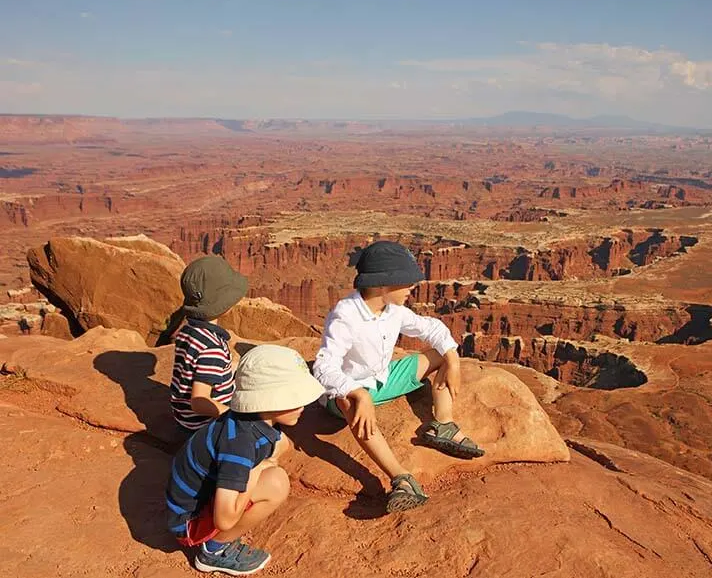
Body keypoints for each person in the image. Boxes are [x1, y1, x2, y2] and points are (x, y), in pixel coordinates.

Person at [312, 241, 484, 514]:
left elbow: (432, 329)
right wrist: (358, 392)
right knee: (349, 402)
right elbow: (323, 366)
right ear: (383, 285)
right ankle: (401, 478)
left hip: (384, 379)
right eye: (406, 283)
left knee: (439, 354)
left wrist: (452, 358)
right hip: (352, 393)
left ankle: (442, 424)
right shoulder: (345, 316)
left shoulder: (392, 311)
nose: (411, 289)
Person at [166, 345, 324, 575]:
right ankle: (214, 551)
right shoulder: (240, 445)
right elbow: (224, 520)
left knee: (280, 446)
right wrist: (257, 469)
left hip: (193, 498)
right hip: (189, 522)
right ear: (268, 400)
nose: (303, 406)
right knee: (277, 483)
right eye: (294, 397)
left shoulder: (246, 419)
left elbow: (282, 445)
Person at [170, 255, 248, 432]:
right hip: (205, 424)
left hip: (182, 416)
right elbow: (199, 402)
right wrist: (234, 417)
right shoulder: (212, 348)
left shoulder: (187, 330)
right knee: (274, 437)